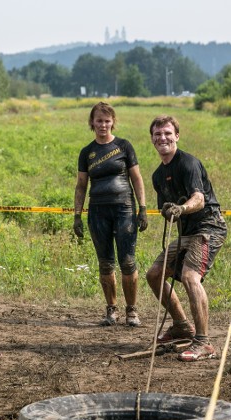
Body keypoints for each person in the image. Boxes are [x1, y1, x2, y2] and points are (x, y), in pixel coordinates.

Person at [146, 115, 227, 361]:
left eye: (168, 133)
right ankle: (181, 325)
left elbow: (199, 199)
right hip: (186, 233)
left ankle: (204, 343)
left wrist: (181, 209)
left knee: (191, 277)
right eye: (158, 134)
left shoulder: (188, 163)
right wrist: (168, 211)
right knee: (154, 274)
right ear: (152, 140)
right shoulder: (158, 175)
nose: (163, 138)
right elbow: (165, 207)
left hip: (208, 227)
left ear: (177, 136)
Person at [73, 101, 149, 327]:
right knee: (105, 264)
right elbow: (80, 185)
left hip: (124, 208)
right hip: (97, 212)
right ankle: (111, 310)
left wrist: (142, 208)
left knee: (127, 262)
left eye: (107, 121)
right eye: (99, 121)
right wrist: (77, 215)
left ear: (113, 122)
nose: (103, 125)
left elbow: (137, 178)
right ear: (92, 123)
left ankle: (132, 311)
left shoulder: (124, 146)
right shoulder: (87, 152)